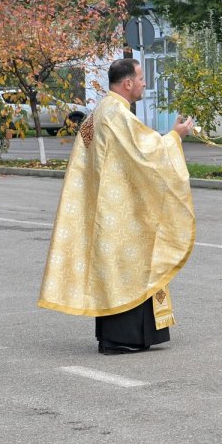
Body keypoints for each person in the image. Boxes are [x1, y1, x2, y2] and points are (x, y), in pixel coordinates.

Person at [38, 58, 195, 355]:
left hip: (108, 204)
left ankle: (122, 336)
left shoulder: (100, 112)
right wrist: (175, 137)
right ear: (127, 83)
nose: (144, 83)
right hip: (119, 209)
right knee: (130, 268)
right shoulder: (116, 115)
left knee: (116, 270)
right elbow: (145, 153)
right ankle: (125, 337)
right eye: (140, 78)